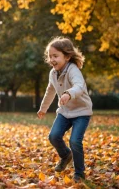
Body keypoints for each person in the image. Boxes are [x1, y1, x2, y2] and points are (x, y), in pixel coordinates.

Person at [37, 37, 93, 182]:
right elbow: (50, 91)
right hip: (64, 112)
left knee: (75, 141)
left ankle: (79, 173)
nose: (52, 59)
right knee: (53, 136)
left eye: (55, 56)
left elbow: (79, 86)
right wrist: (43, 108)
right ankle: (66, 155)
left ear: (67, 57)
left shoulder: (73, 70)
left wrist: (69, 93)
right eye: (50, 56)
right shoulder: (53, 73)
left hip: (81, 112)